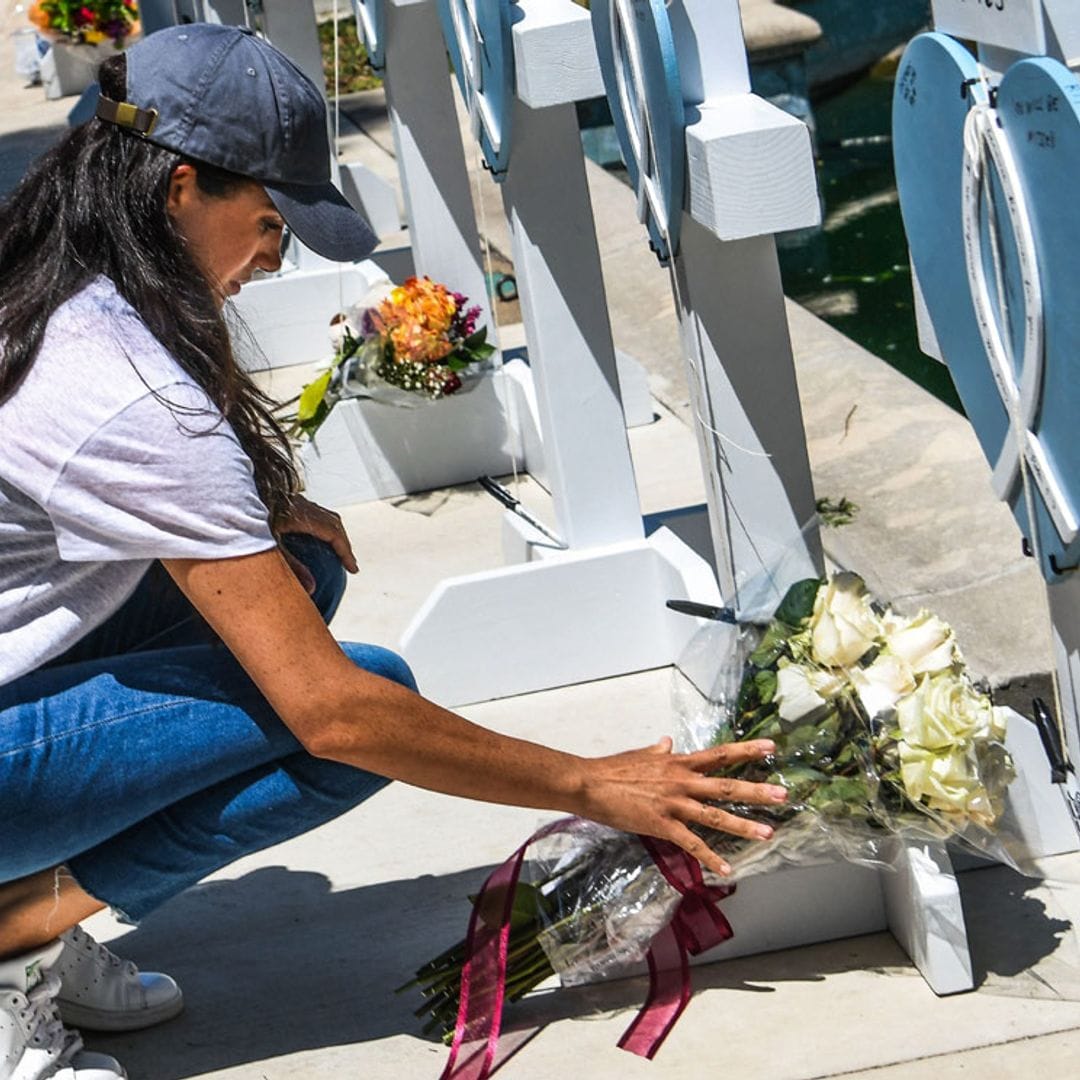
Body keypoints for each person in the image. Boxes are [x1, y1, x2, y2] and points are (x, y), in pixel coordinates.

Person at [0, 24, 786, 1080]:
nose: (274, 257)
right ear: (180, 187)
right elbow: (335, 713)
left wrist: (261, 510)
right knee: (353, 707)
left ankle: (29, 898)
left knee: (300, 573)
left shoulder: (45, 274)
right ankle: (13, 936)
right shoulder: (130, 394)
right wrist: (591, 782)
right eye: (271, 220)